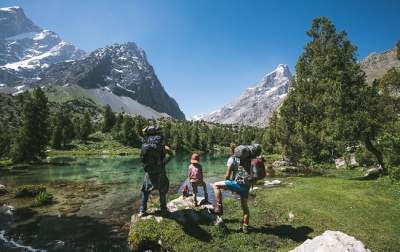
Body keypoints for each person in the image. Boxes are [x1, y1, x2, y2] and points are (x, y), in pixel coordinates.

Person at [212, 143, 252, 234]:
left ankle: (219, 207)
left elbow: (227, 175)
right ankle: (245, 227)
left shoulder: (231, 159)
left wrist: (227, 185)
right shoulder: (248, 159)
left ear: (232, 150)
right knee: (245, 207)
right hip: (246, 185)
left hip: (237, 184)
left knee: (215, 185)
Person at [139, 125, 173, 217]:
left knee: (145, 191)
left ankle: (142, 211)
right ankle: (163, 210)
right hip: (160, 170)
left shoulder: (145, 141)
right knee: (162, 190)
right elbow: (171, 155)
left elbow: (142, 156)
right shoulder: (160, 144)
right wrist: (164, 163)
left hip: (149, 171)